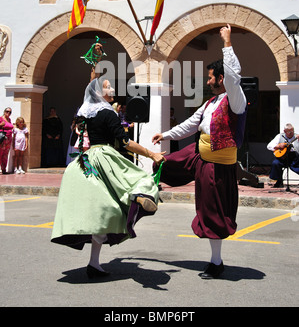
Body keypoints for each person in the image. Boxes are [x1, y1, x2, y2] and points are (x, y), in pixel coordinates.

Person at [152, 24, 247, 279]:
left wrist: (227, 43)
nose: (208, 81)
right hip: (200, 156)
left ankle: (216, 262)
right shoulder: (210, 103)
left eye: (210, 77)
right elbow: (190, 124)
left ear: (220, 78)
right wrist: (166, 134)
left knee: (212, 212)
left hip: (218, 165)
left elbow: (233, 77)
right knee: (163, 163)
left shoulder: (235, 100)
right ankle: (149, 189)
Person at [51, 77, 165, 279]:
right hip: (104, 157)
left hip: (86, 160)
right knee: (138, 178)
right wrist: (152, 154)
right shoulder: (106, 112)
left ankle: (94, 263)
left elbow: (79, 130)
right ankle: (137, 196)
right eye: (107, 87)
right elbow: (125, 142)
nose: (112, 88)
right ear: (99, 93)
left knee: (101, 212)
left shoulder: (87, 113)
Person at [267, 123, 299, 188]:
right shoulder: (279, 136)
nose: (291, 133)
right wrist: (278, 146)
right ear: (285, 131)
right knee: (275, 163)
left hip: (294, 158)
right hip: (282, 158)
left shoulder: (297, 137)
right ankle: (279, 181)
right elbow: (269, 146)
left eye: (292, 131)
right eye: (289, 131)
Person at [0, 107, 14, 174]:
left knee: (5, 154)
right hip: (2, 139)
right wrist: (0, 125)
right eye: (7, 111)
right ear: (4, 111)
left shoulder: (9, 119)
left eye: (10, 112)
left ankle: (4, 169)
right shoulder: (1, 118)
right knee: (0, 153)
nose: (8, 113)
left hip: (9, 139)